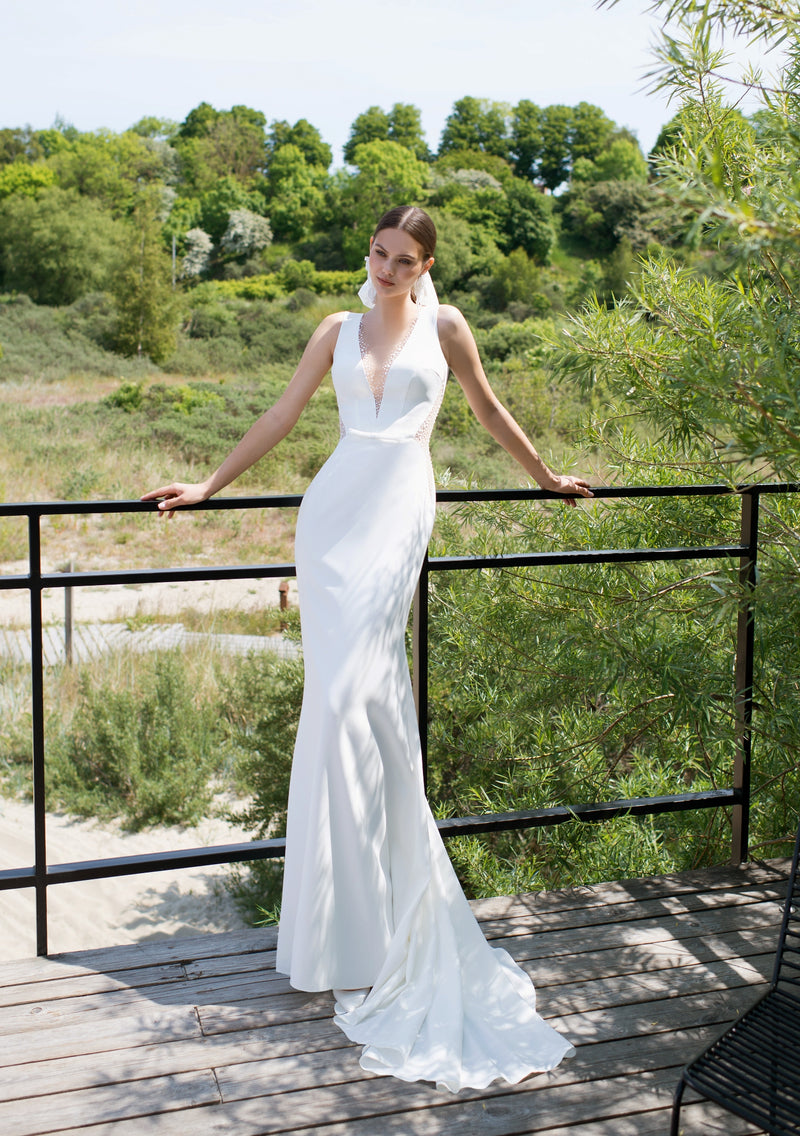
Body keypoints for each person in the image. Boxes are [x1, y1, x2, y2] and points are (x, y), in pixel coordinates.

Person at [142, 205, 591, 1091]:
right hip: (334, 513)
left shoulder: (448, 326)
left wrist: (544, 476)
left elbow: (489, 408)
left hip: (399, 511)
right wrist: (207, 484)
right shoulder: (334, 328)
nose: (384, 270)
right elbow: (282, 413)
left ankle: (380, 923)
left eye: (402, 261)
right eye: (377, 254)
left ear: (426, 268)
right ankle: (343, 932)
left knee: (360, 701)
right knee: (340, 707)